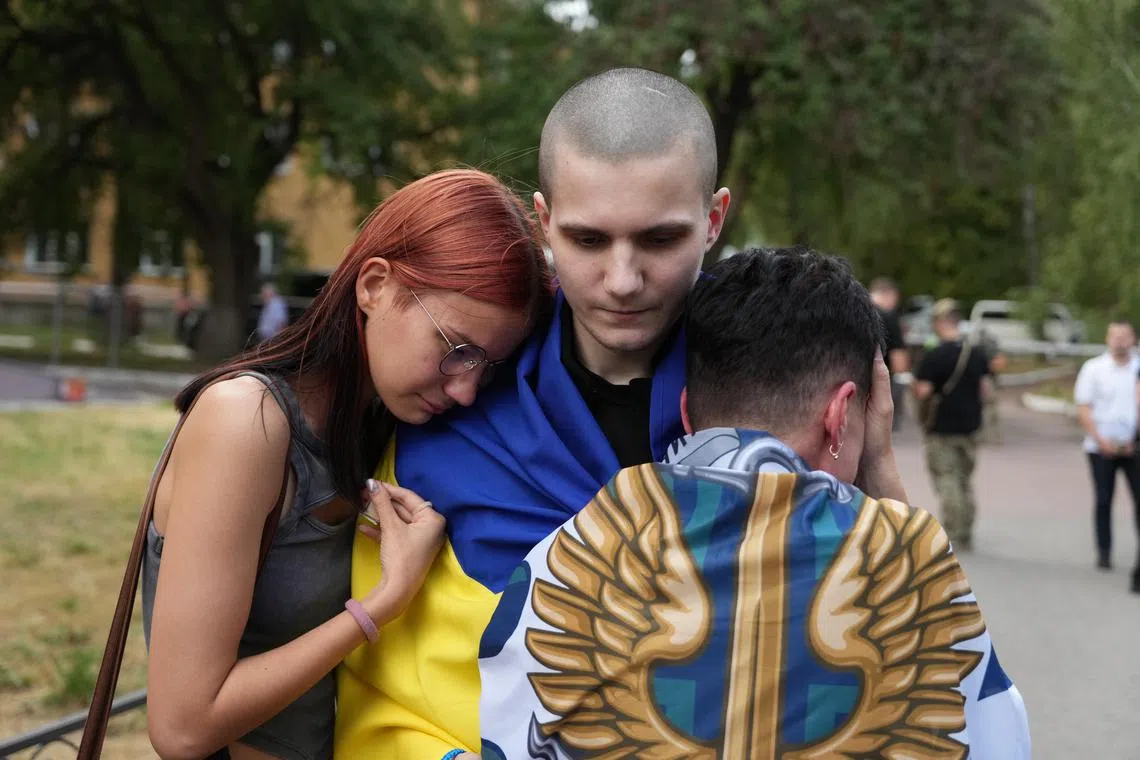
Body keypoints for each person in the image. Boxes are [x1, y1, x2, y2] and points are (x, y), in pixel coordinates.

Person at [336, 68, 905, 759]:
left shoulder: (781, 389)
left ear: (714, 219)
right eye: (588, 241)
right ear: (544, 222)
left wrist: (884, 492)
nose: (623, 280)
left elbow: (897, 651)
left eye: (661, 240)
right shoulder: (451, 412)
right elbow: (389, 694)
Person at [478, 247, 1030, 759]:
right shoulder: (909, 565)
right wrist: (882, 473)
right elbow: (995, 733)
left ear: (688, 410)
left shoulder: (579, 549)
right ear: (842, 414)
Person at [142, 169, 553, 760]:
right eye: (455, 349)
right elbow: (182, 727)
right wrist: (384, 602)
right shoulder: (246, 421)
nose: (466, 390)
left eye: (486, 367)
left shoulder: (382, 425)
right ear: (375, 286)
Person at [913, 298, 993, 551]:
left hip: (941, 427)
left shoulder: (934, 356)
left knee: (947, 479)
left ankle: (954, 529)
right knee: (964, 478)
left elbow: (923, 392)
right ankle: (967, 527)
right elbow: (986, 389)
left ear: (939, 323)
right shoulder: (976, 353)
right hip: (970, 426)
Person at [1074, 318, 1140, 588]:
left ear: (1133, 339)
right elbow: (1084, 407)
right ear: (1107, 339)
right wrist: (1101, 440)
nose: (1120, 341)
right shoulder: (1094, 369)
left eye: (1125, 336)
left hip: (1134, 447)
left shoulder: (1137, 368)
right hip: (1100, 446)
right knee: (1104, 498)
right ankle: (1104, 550)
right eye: (1115, 336)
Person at [869, 277, 909, 430]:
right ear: (890, 294)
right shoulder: (888, 317)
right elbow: (899, 361)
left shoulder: (851, 311)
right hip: (879, 383)